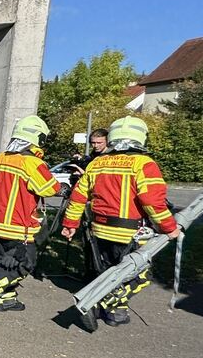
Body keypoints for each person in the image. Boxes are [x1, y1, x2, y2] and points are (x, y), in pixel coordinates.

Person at [61, 116, 180, 327]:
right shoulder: (143, 163)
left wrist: (70, 225)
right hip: (129, 233)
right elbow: (152, 201)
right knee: (138, 276)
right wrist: (169, 228)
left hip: (99, 230)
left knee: (109, 273)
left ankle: (116, 314)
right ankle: (98, 302)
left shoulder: (98, 163)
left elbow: (78, 197)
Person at [0, 116, 60, 315]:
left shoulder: (0, 158)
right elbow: (50, 188)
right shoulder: (32, 162)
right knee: (23, 264)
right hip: (20, 227)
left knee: (6, 261)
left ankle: (6, 299)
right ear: (38, 138)